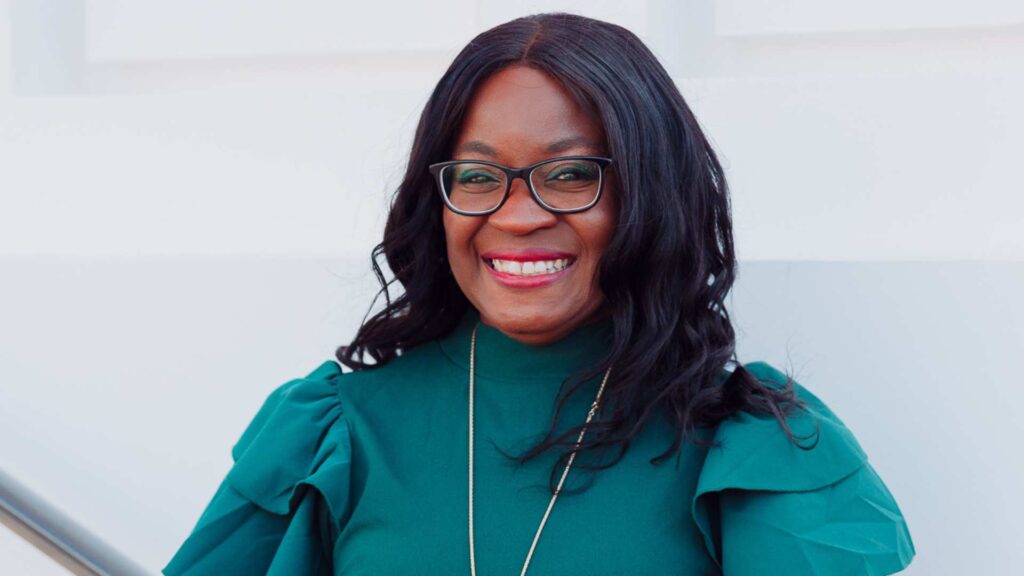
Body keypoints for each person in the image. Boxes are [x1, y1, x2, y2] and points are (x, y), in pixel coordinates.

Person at [163, 12, 915, 576]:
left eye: (568, 175)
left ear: (649, 195)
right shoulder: (335, 435)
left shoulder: (745, 447)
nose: (517, 216)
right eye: (479, 177)